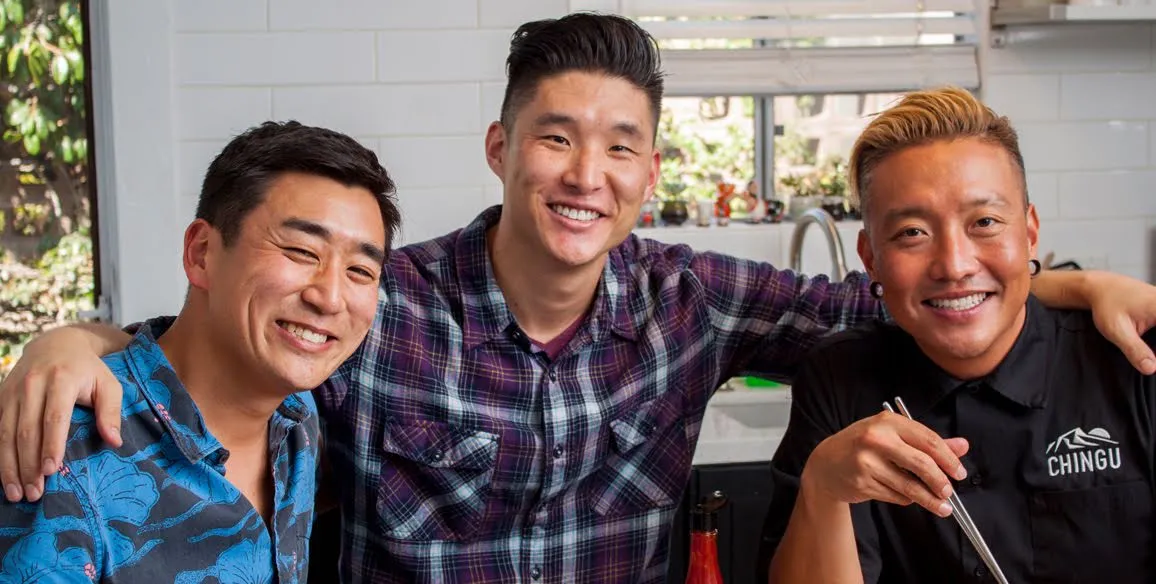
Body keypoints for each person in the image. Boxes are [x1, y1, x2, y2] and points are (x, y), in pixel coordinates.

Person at [3, 14, 1156, 584]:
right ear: (501, 148)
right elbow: (226, 341)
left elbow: (904, 287)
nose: (584, 175)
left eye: (619, 147)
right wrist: (71, 337)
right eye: (555, 137)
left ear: (650, 175)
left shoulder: (693, 300)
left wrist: (1070, 280)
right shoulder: (379, 302)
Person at [757, 87, 1156, 584]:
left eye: (984, 222)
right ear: (870, 258)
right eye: (912, 233)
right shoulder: (840, 379)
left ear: (1029, 233)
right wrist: (823, 489)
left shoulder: (1132, 359)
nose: (954, 265)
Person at [0, 121, 400, 582]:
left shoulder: (297, 420)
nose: (329, 298)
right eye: (300, 251)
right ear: (202, 253)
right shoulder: (62, 450)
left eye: (360, 271)